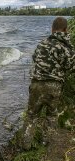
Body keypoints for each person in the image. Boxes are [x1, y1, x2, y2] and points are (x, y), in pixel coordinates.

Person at [23, 17, 75, 149]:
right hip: (54, 86)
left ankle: (26, 144)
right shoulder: (67, 47)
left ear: (52, 29)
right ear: (66, 29)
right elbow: (72, 67)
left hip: (36, 84)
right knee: (51, 115)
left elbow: (35, 58)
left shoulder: (42, 43)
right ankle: (45, 142)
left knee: (31, 115)